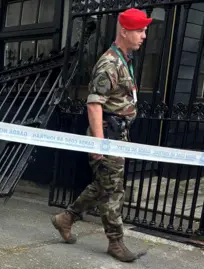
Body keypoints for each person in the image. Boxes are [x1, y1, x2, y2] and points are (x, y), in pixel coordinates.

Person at [51, 8, 152, 263]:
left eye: (144, 30)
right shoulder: (110, 63)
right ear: (125, 31)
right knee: (114, 190)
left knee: (103, 185)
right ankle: (115, 243)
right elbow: (94, 104)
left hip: (118, 135)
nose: (144, 35)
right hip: (108, 135)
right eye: (140, 30)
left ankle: (66, 218)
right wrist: (98, 142)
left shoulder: (125, 59)